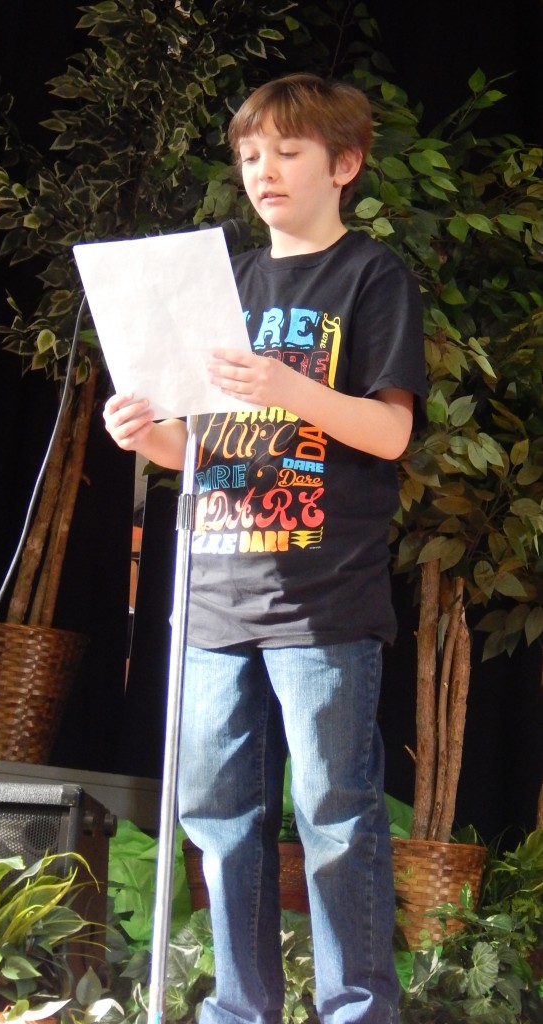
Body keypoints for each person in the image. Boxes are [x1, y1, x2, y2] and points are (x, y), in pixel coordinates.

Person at [104, 72, 427, 1024]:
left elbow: (390, 433)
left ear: (344, 164)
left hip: (322, 597)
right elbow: (201, 446)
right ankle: (239, 1010)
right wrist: (148, 437)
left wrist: (289, 387)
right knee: (217, 819)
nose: (265, 171)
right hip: (214, 593)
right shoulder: (226, 284)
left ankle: (356, 1010)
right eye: (250, 155)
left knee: (334, 817)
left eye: (288, 152)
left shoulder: (371, 276)